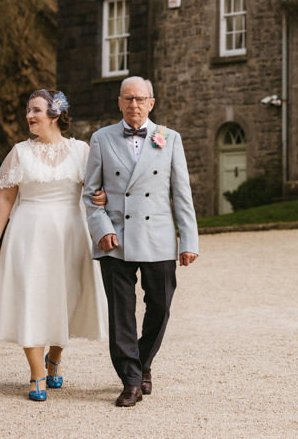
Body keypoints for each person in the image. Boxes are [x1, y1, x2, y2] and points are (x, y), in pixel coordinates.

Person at [0, 89, 108, 402]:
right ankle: (37, 373)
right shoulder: (19, 152)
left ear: (55, 114)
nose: (29, 116)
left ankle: (54, 358)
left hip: (70, 233)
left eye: (36, 110)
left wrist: (102, 198)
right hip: (29, 233)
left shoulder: (81, 151)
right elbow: (6, 198)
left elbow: (97, 191)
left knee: (65, 298)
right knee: (31, 297)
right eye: (28, 110)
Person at [82, 76, 199, 408]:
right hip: (115, 239)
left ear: (152, 102)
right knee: (122, 312)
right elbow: (90, 194)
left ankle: (142, 360)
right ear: (119, 102)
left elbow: (182, 194)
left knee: (160, 306)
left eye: (140, 99)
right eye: (128, 99)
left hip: (159, 236)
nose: (134, 105)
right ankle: (131, 379)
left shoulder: (169, 138)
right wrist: (100, 228)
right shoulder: (101, 139)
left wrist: (188, 240)